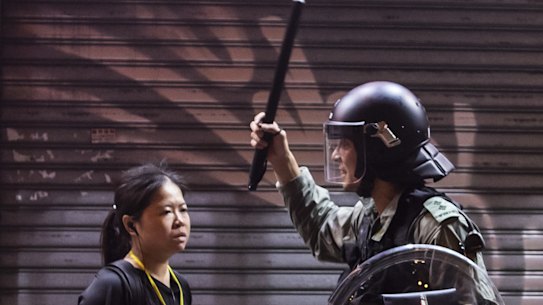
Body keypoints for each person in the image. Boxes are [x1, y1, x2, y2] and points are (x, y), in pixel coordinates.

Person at [249, 81, 499, 304]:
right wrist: (281, 159)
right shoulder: (371, 220)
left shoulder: (436, 227)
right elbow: (320, 226)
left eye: (345, 144)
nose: (336, 155)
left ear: (377, 149)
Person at [78, 163, 192, 305]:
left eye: (183, 210)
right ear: (131, 225)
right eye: (167, 211)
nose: (179, 221)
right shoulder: (113, 284)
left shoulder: (181, 287)